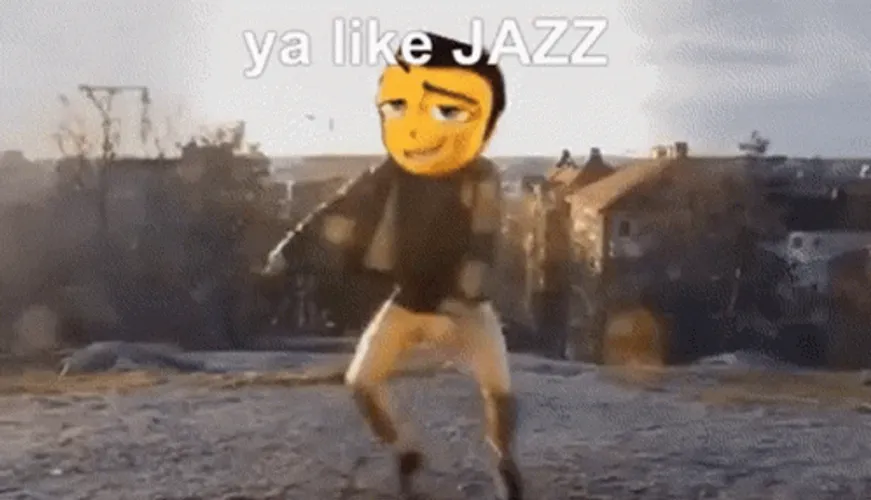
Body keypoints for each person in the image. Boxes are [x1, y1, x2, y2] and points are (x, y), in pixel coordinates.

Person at [262, 32, 522, 500]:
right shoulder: (396, 170)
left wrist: (468, 286)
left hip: (463, 304)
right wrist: (289, 249)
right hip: (410, 301)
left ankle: (504, 462)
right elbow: (342, 206)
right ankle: (405, 450)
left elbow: (486, 232)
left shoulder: (480, 174)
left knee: (498, 389)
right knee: (361, 383)